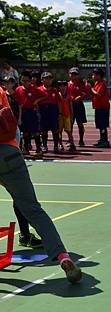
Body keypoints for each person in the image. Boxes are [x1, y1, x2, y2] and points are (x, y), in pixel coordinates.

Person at [0, 105, 82, 283]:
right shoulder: (2, 102)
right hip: (11, 156)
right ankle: (62, 256)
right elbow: (16, 132)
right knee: (34, 211)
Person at [14, 69, 46, 158]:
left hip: (32, 112)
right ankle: (26, 148)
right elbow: (16, 100)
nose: (24, 82)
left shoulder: (34, 89)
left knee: (35, 131)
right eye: (22, 80)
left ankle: (39, 149)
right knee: (25, 132)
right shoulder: (18, 89)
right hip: (22, 112)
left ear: (30, 80)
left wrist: (37, 100)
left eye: (27, 81)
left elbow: (45, 95)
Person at [38, 72, 62, 153]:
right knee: (44, 130)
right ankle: (44, 146)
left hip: (53, 111)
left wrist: (60, 113)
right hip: (43, 111)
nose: (48, 80)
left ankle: (56, 146)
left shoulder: (54, 90)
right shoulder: (39, 90)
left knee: (55, 130)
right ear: (42, 80)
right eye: (46, 78)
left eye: (49, 79)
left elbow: (58, 102)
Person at [67, 67, 90, 146]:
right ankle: (70, 140)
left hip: (79, 105)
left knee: (80, 123)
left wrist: (80, 97)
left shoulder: (81, 84)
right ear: (69, 75)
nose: (74, 76)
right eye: (72, 74)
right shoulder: (67, 84)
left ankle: (81, 140)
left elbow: (85, 94)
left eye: (75, 74)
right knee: (70, 123)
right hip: (70, 105)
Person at [90, 68, 111, 148]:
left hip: (103, 107)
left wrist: (90, 89)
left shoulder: (102, 84)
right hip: (98, 106)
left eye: (94, 75)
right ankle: (102, 139)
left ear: (98, 75)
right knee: (99, 124)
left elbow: (98, 94)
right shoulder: (96, 83)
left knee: (103, 125)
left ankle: (105, 140)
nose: (93, 76)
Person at [57, 80, 76, 152]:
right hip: (60, 116)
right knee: (59, 131)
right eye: (61, 86)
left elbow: (71, 107)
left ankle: (72, 144)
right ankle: (60, 144)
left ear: (66, 87)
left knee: (68, 131)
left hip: (67, 115)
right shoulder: (58, 95)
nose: (62, 88)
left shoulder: (69, 97)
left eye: (64, 86)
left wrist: (71, 117)